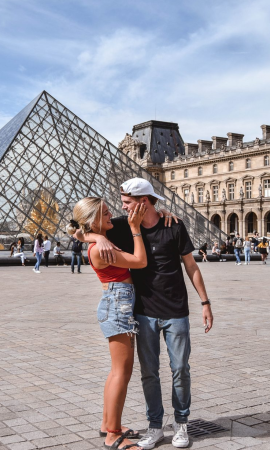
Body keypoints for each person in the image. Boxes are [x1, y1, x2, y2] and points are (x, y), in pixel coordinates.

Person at [78, 178, 213, 449]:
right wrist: (97, 235)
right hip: (137, 310)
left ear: (143, 202)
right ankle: (148, 426)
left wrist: (205, 302)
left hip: (174, 309)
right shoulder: (118, 226)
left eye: (126, 203)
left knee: (179, 369)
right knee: (142, 372)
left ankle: (179, 423)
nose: (119, 209)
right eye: (117, 206)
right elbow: (79, 228)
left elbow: (191, 266)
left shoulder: (172, 224)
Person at [67, 198, 148, 450]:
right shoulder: (101, 249)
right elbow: (140, 261)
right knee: (121, 373)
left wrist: (92, 236)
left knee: (117, 372)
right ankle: (113, 435)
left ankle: (108, 423)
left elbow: (79, 232)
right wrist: (135, 229)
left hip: (116, 303)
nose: (111, 214)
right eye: (105, 213)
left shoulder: (99, 243)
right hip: (118, 305)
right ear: (93, 221)